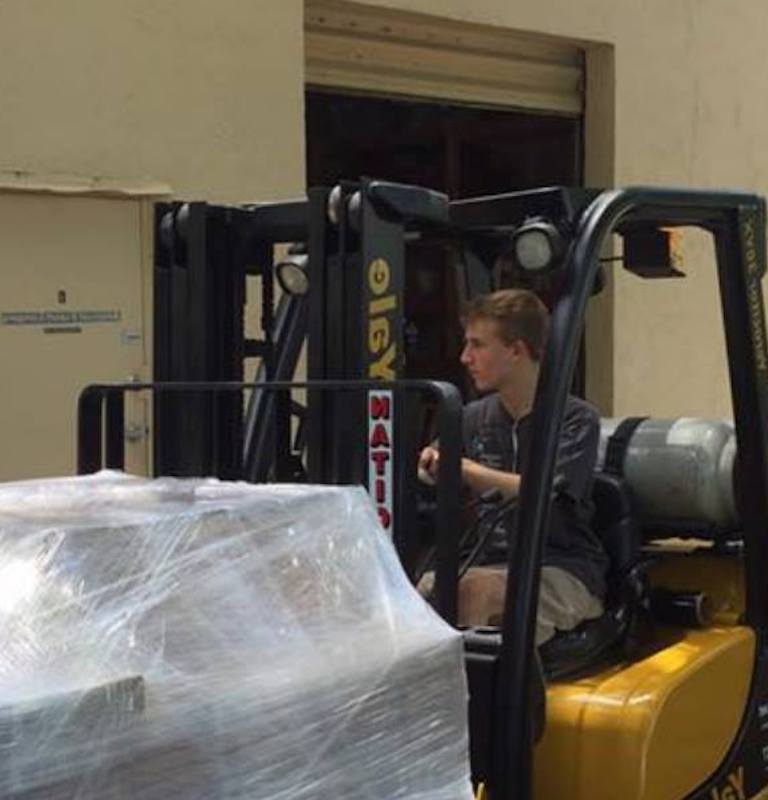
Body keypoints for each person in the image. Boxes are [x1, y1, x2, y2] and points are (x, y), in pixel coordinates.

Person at [418, 289, 608, 644]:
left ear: (516, 350)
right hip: (494, 561)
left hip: (563, 567)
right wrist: (429, 466)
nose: (465, 357)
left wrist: (462, 468)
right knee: (425, 588)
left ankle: (476, 696)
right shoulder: (472, 418)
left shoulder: (574, 419)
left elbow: (540, 491)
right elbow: (434, 467)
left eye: (477, 345)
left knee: (477, 591)